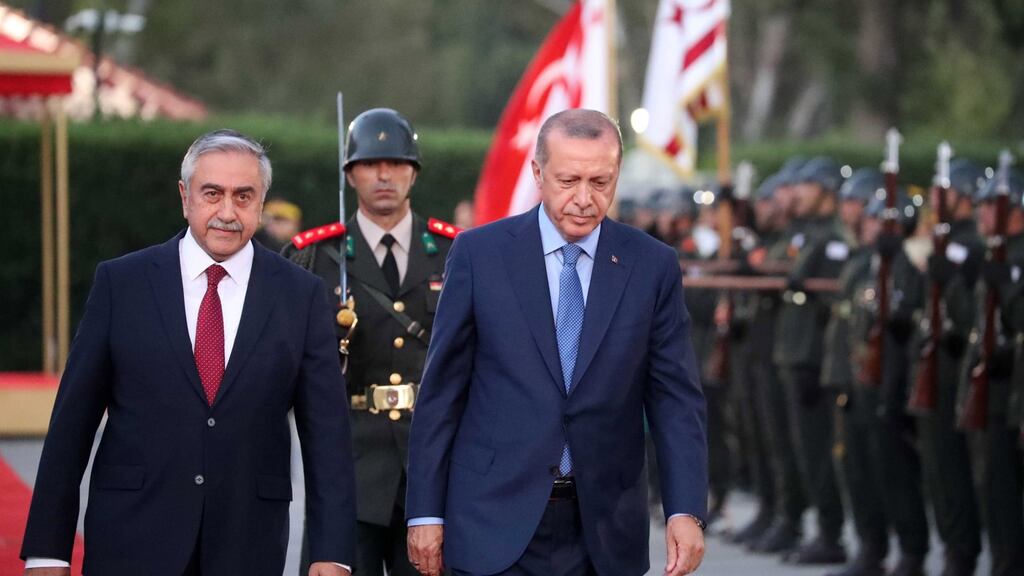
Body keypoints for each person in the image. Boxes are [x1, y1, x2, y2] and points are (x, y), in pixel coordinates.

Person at [20, 129, 357, 575]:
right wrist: (48, 550)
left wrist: (332, 554)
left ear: (261, 203)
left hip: (247, 545)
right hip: (131, 539)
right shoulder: (122, 285)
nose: (226, 212)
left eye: (243, 196)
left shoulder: (302, 296)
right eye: (212, 193)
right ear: (185, 196)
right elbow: (71, 426)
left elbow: (327, 436)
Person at [405, 109, 708, 576]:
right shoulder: (480, 254)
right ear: (538, 173)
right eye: (568, 180)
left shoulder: (652, 266)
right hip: (492, 519)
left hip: (604, 529)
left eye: (600, 181)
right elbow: (442, 393)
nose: (584, 199)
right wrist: (425, 512)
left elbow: (675, 399)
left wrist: (685, 509)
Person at [284, 108, 457, 576]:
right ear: (350, 174)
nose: (384, 175)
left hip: (431, 467)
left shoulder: (455, 252)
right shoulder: (314, 257)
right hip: (348, 465)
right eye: (370, 164)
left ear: (414, 173)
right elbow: (283, 361)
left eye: (397, 163)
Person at [773, 156, 849, 565]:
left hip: (814, 357)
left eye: (808, 185)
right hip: (796, 353)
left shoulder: (834, 238)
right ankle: (813, 525)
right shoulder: (808, 232)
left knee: (819, 450)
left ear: (826, 191)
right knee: (800, 447)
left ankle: (831, 532)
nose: (797, 192)